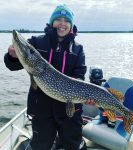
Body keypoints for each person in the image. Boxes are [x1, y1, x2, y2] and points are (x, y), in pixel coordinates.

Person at [4, 4, 93, 150]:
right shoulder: (36, 42)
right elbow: (13, 65)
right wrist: (12, 56)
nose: (62, 23)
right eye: (58, 19)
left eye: (66, 20)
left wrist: (85, 96)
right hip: (42, 110)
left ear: (71, 25)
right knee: (41, 146)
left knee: (73, 145)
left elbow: (79, 76)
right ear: (52, 22)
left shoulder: (78, 48)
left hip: (69, 111)